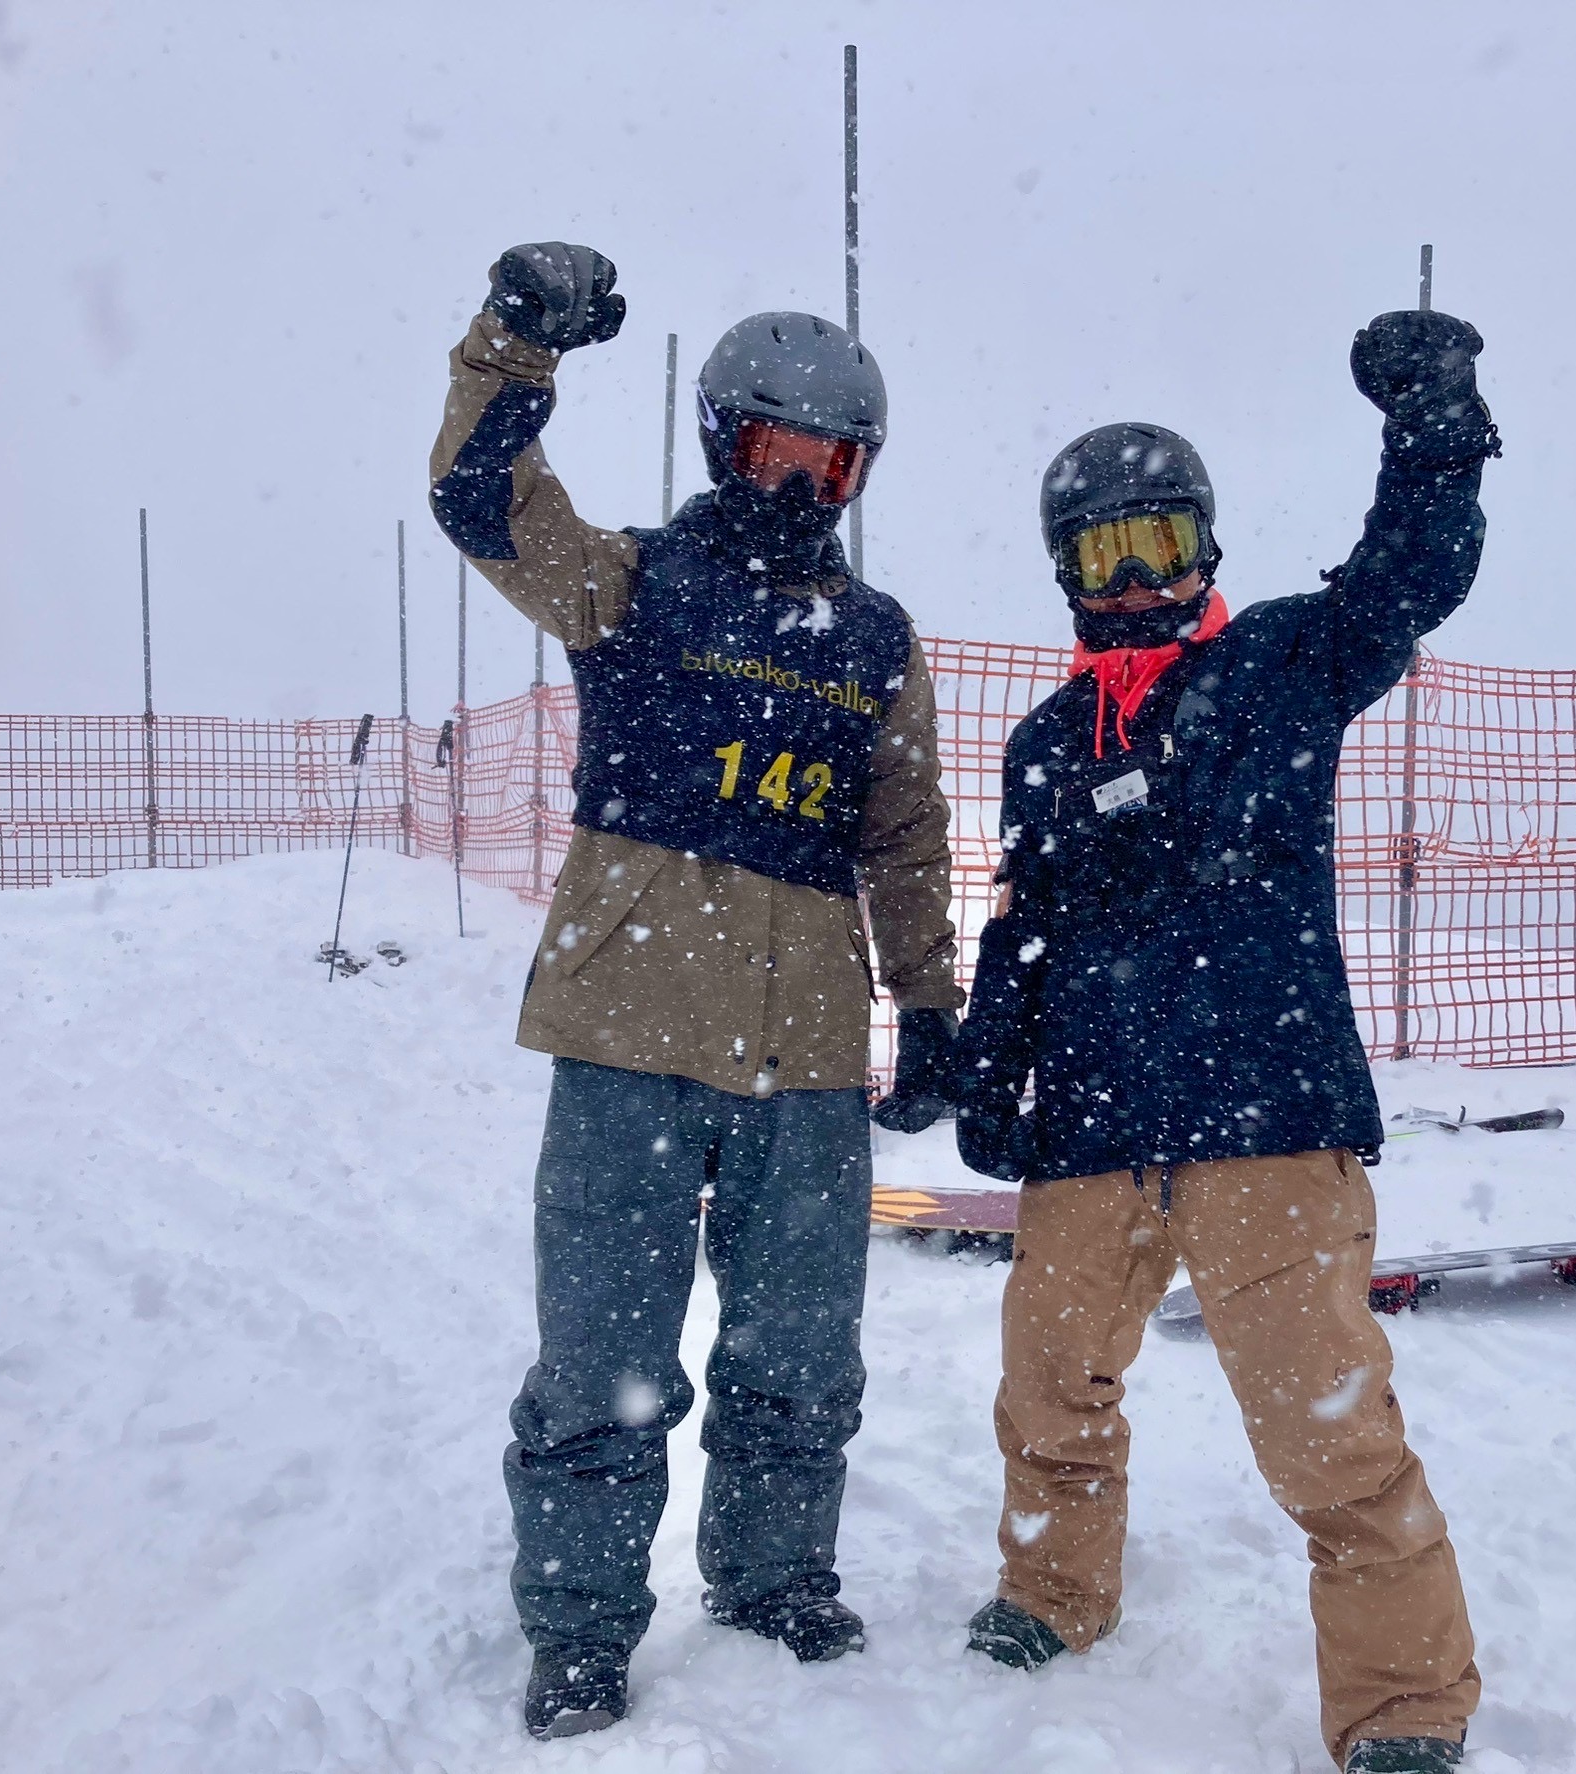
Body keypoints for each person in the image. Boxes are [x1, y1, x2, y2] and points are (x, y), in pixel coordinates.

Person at [948, 309, 1501, 1774]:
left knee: (1331, 1436)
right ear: (1067, 574)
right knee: (1048, 1394)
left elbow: (1410, 575)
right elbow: (1024, 921)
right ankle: (1054, 1590)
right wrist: (987, 1071)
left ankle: (1402, 1703)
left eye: (1163, 546)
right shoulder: (1048, 744)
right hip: (1093, 1127)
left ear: (1208, 549)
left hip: (1265, 1114)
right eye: (1105, 556)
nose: (1139, 581)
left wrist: (1435, 432)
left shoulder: (1280, 667)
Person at [427, 243, 964, 1740]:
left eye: (833, 465)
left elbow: (906, 833)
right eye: (780, 454)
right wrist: (516, 344)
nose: (803, 489)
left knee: (801, 1350)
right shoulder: (632, 584)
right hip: (629, 1035)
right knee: (603, 1358)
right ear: (727, 443)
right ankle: (581, 1627)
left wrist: (929, 1003)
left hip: (807, 1054)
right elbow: (481, 500)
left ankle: (775, 1576)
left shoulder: (875, 642)